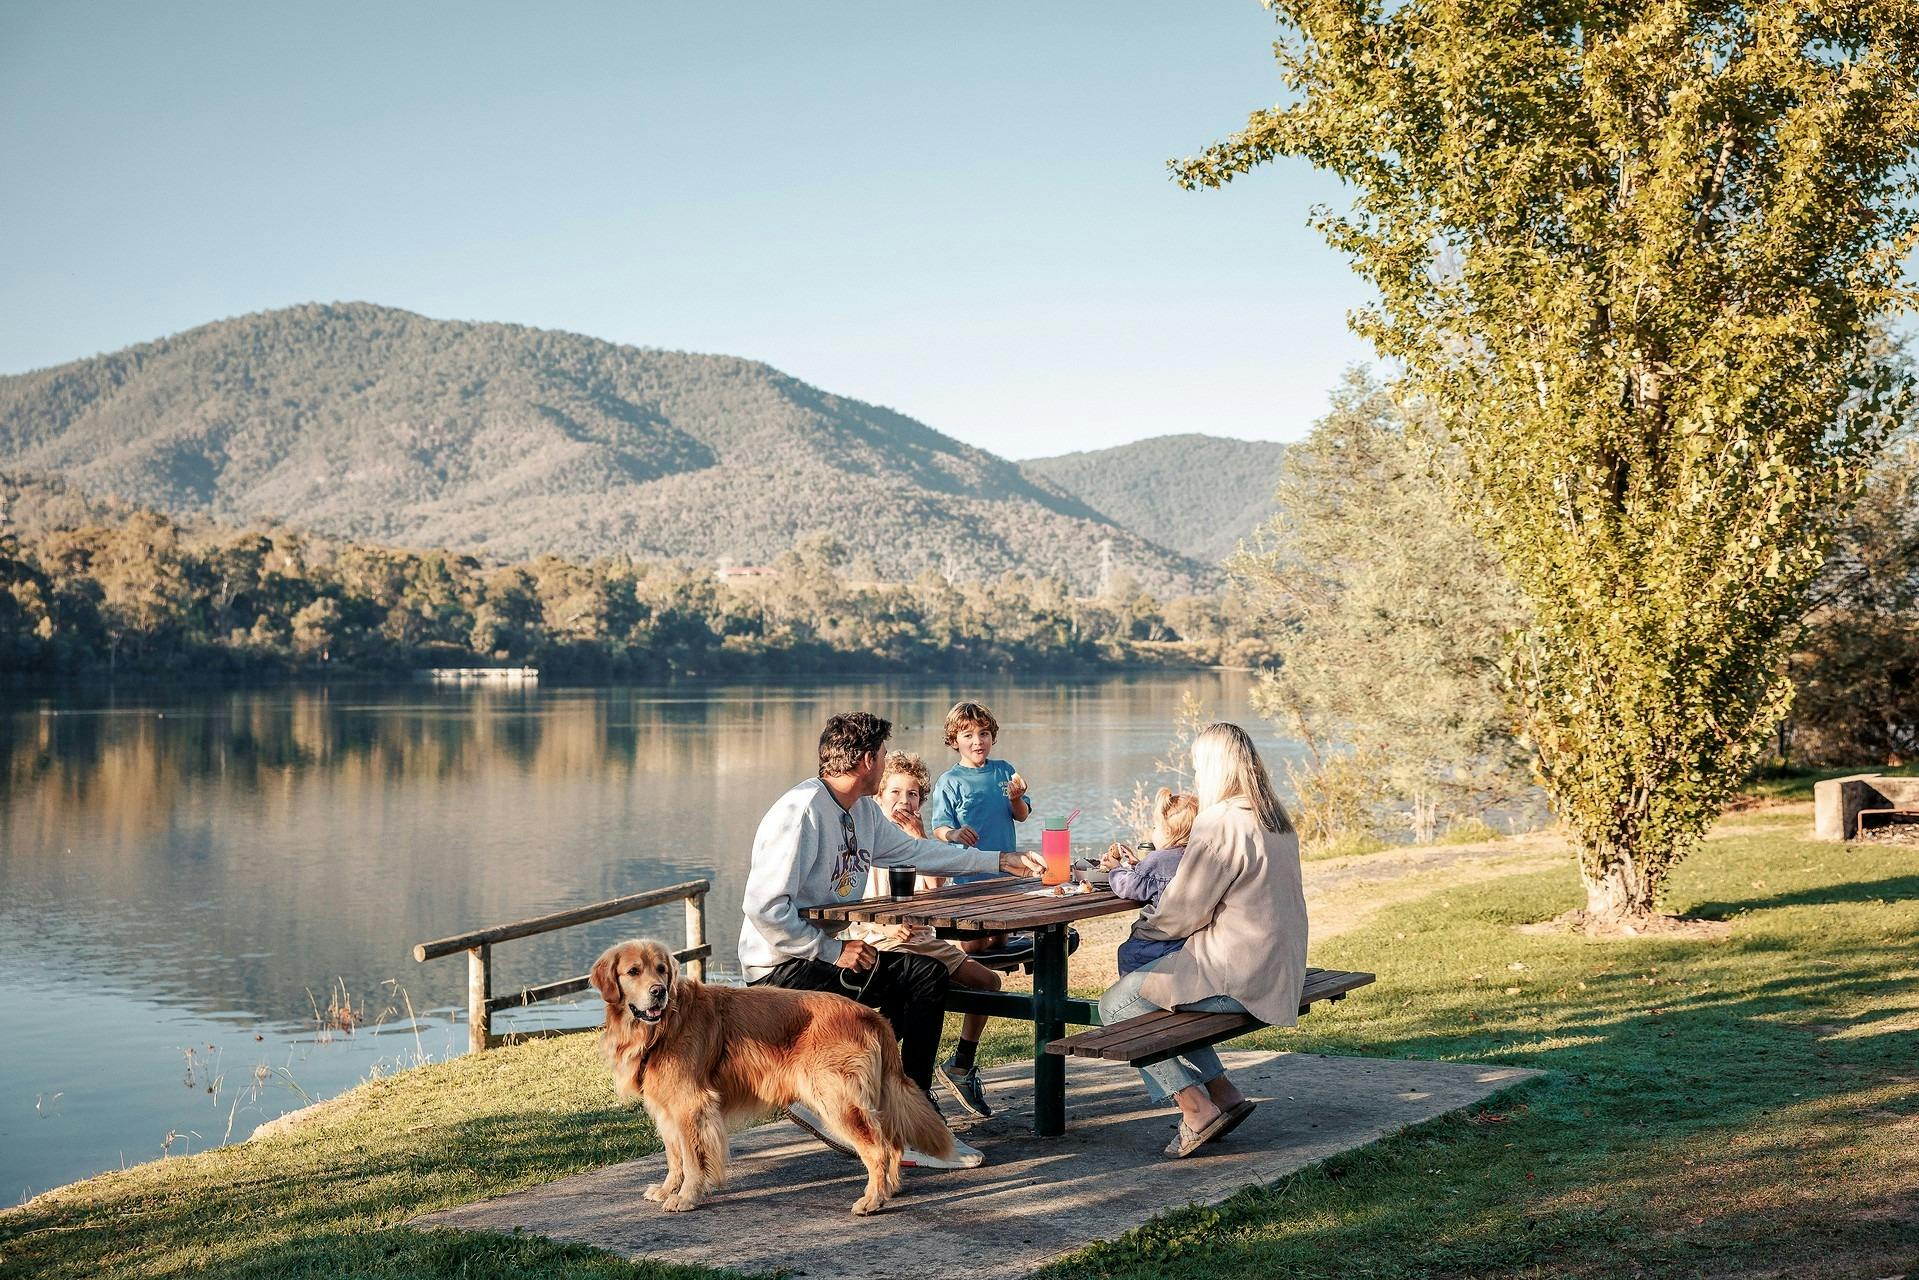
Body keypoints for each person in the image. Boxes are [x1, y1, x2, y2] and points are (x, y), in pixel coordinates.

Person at [738, 713, 1044, 1168]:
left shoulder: (861, 811)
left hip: (817, 957)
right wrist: (835, 950)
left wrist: (998, 859)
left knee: (923, 975)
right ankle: (906, 1124)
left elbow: (920, 852)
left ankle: (887, 1106)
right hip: (781, 968)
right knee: (921, 978)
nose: (884, 764)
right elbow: (764, 910)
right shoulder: (800, 812)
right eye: (881, 755)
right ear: (866, 760)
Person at [1096, 723, 1309, 1159]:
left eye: (1197, 764)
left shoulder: (1221, 821)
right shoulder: (1273, 817)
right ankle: (1223, 1092)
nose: (1195, 774)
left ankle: (1195, 1109)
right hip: (1279, 965)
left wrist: (1144, 931)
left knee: (1117, 1004)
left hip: (1242, 974)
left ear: (1213, 767)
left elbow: (1184, 908)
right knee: (1162, 992)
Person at [839, 751, 1004, 1117]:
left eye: (913, 794)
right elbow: (851, 904)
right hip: (877, 937)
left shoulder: (916, 839)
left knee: (988, 984)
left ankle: (960, 1066)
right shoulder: (864, 838)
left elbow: (935, 890)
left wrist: (920, 835)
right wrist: (887, 925)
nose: (904, 800)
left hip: (921, 937)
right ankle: (870, 1074)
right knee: (915, 992)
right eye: (895, 792)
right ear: (878, 796)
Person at [1101, 788, 1201, 976]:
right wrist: (1138, 865)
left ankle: (1131, 1001)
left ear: (1169, 831)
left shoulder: (1158, 858)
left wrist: (1115, 868)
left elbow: (1130, 886)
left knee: (1127, 953)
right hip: (1186, 940)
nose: (1152, 832)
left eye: (1155, 827)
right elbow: (1159, 880)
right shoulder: (1196, 857)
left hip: (1158, 941)